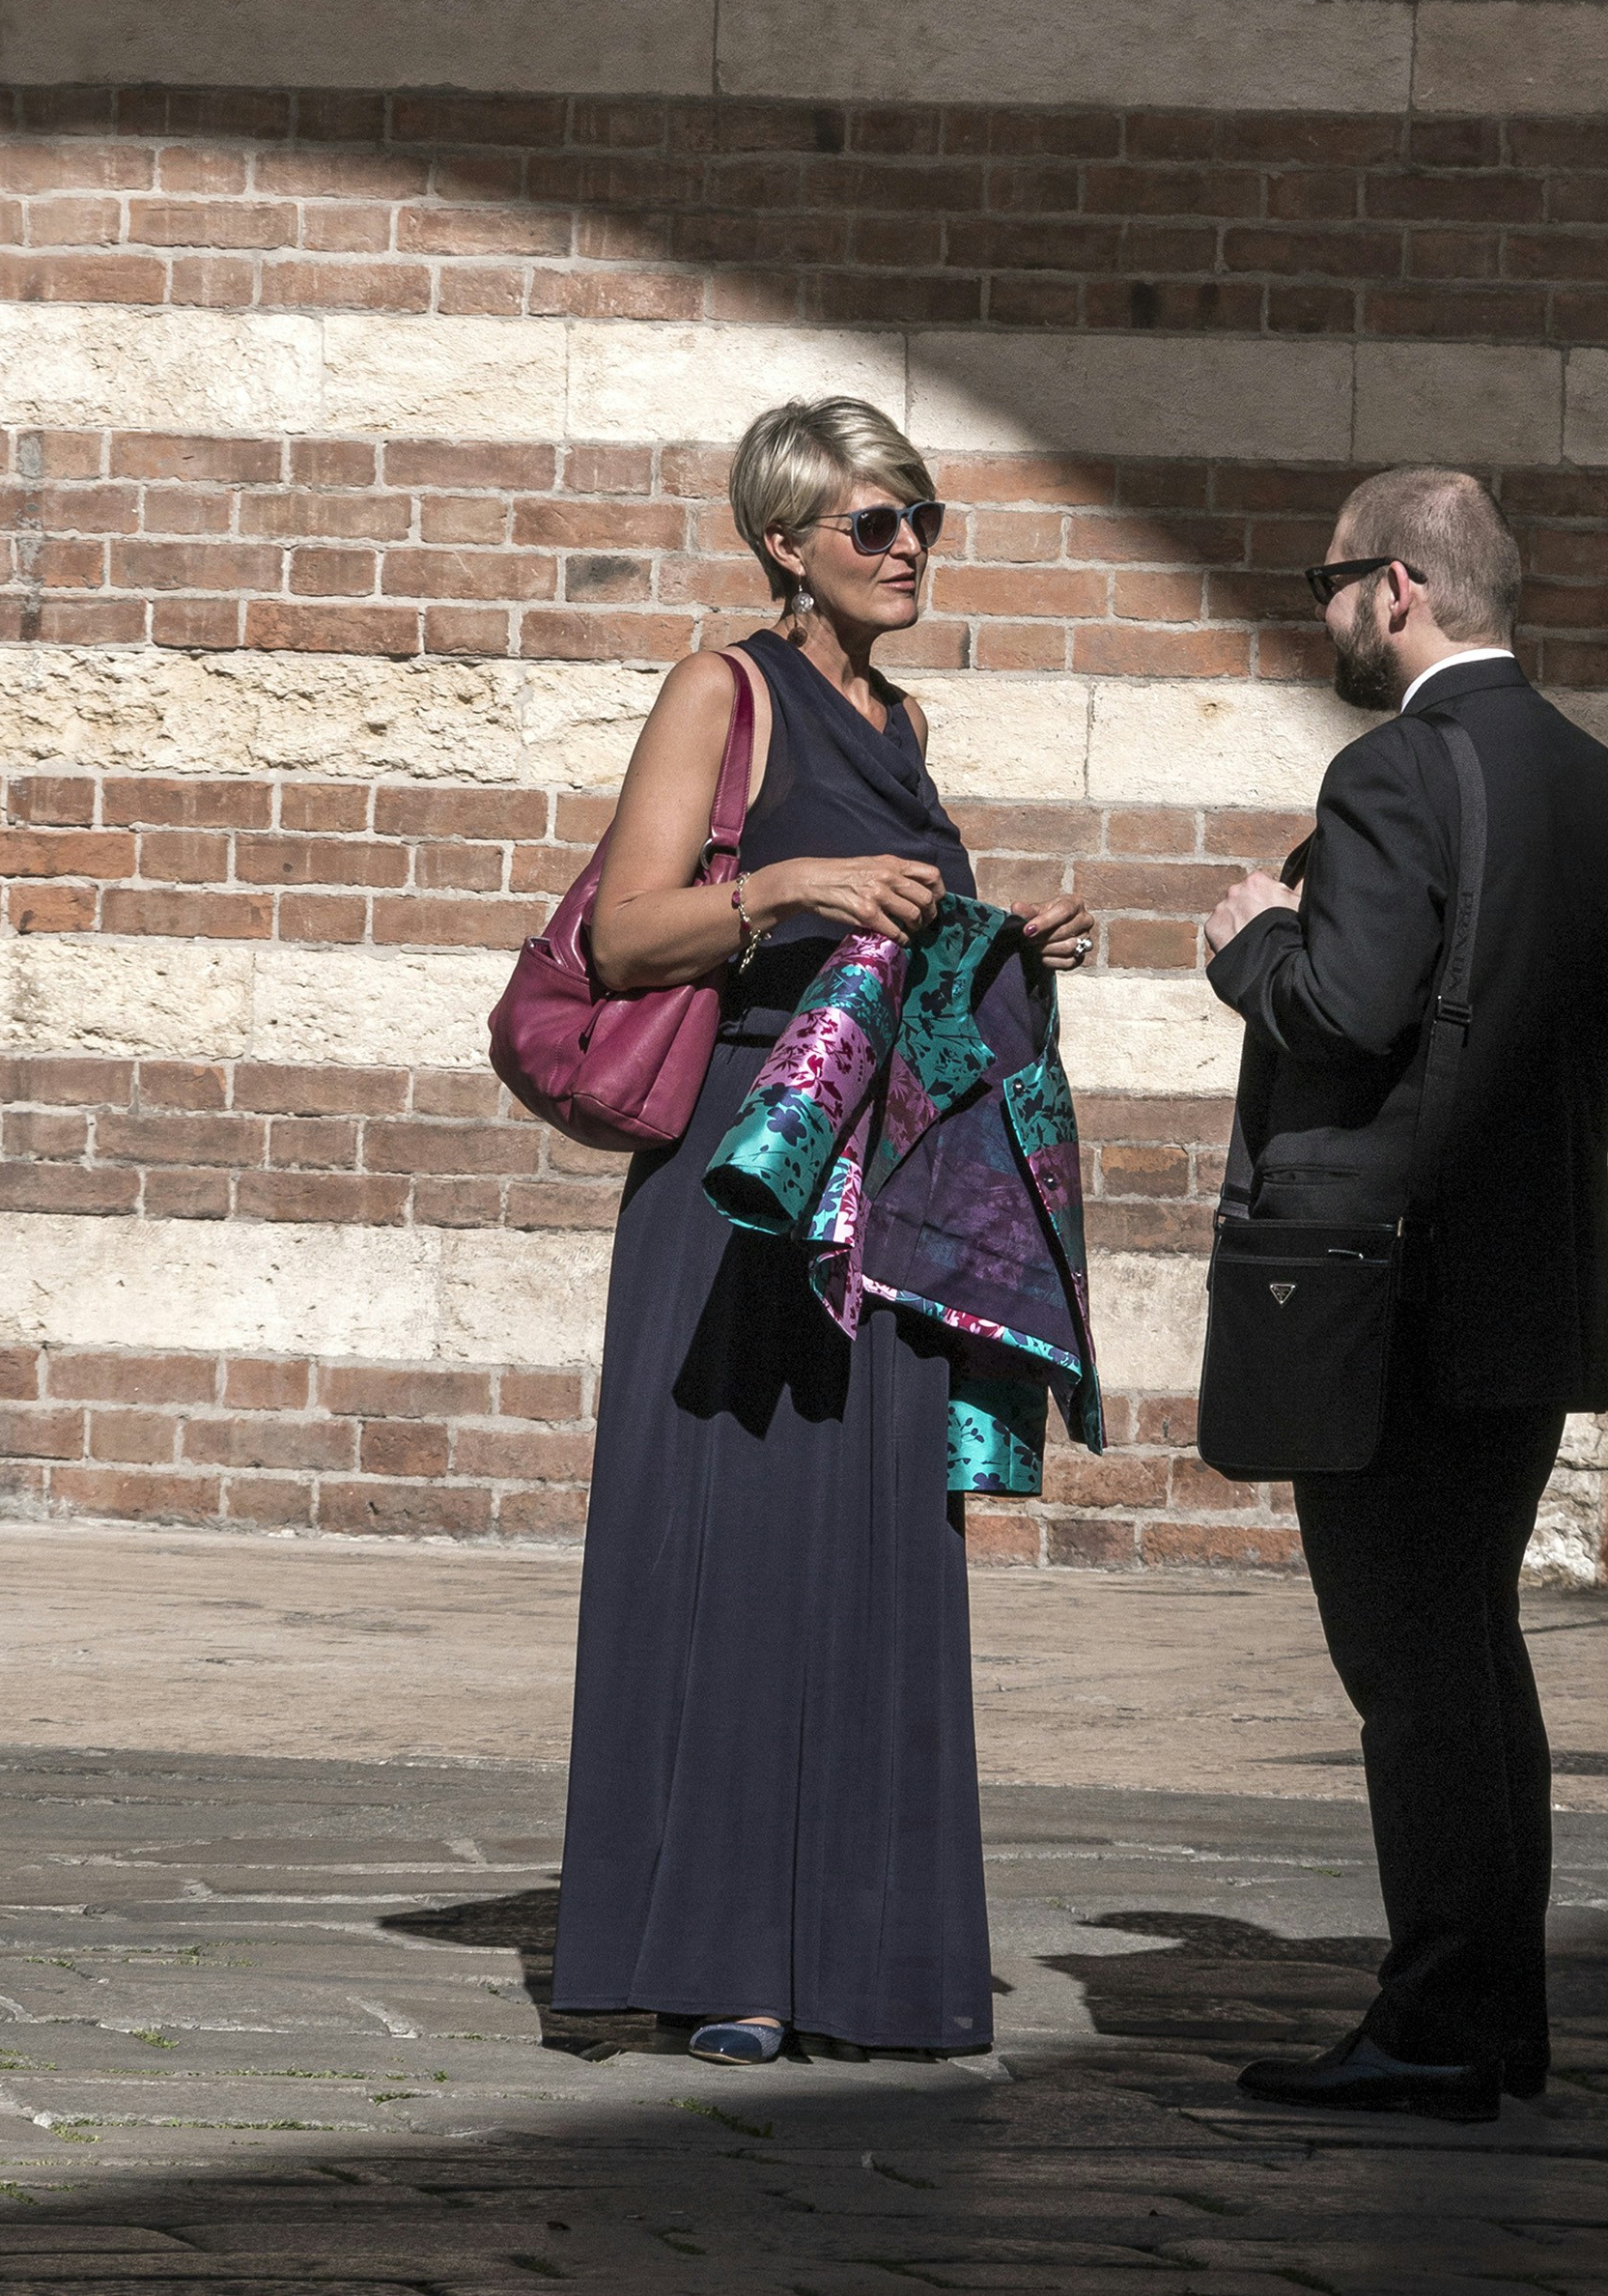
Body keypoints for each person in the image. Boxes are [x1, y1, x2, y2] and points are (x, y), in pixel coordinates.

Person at [548, 398, 1094, 2070]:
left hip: (889, 1198)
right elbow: (630, 935)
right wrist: (797, 889)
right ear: (787, 543)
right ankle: (724, 1960)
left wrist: (1004, 940)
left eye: (924, 516)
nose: (910, 545)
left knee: (870, 1554)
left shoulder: (903, 717)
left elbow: (902, 960)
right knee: (732, 1547)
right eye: (875, 523)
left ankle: (862, 1958)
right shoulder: (724, 689)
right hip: (743, 1183)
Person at [1200, 466, 1608, 2122]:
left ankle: (1438, 2024)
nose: (1319, 612)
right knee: (1472, 1650)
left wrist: (1254, 936)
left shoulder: (1395, 769)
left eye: (1327, 579)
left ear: (1396, 588)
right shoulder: (1607, 787)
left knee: (1413, 1667)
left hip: (1385, 1292)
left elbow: (1343, 1004)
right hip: (1529, 1278)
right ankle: (1490, 2016)